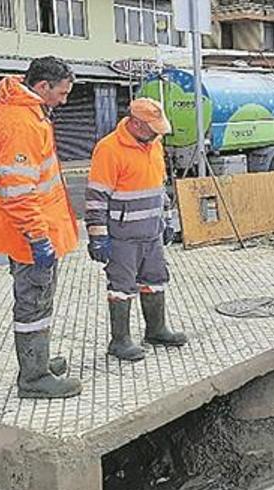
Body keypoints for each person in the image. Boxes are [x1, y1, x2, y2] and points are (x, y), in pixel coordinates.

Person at [0, 56, 82, 399]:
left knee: (39, 299)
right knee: (34, 302)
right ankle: (34, 378)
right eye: (62, 93)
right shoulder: (20, 122)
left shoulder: (14, 109)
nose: (64, 100)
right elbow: (20, 192)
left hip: (26, 232)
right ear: (42, 87)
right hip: (30, 235)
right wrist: (38, 238)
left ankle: (38, 362)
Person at [85, 98, 186, 362]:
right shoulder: (108, 149)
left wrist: (167, 221)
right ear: (137, 123)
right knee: (122, 286)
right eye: (153, 128)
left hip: (151, 232)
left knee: (155, 280)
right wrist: (98, 237)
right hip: (122, 236)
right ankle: (120, 341)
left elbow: (159, 188)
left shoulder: (154, 145)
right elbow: (96, 197)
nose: (157, 133)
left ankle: (156, 330)